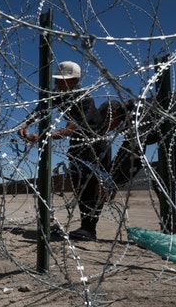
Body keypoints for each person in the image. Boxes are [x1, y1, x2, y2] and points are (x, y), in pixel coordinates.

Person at [18, 61, 111, 241]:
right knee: (80, 187)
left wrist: (44, 135)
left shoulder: (84, 99)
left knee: (90, 188)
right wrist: (26, 123)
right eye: (57, 79)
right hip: (78, 147)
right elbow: (42, 109)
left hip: (96, 148)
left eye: (63, 80)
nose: (58, 83)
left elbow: (70, 129)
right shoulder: (60, 96)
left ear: (75, 80)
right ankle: (86, 227)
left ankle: (89, 229)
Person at [106, 92, 176, 235]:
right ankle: (173, 225)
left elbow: (133, 153)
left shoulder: (138, 113)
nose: (111, 129)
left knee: (170, 176)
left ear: (114, 114)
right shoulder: (142, 108)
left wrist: (112, 182)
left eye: (108, 123)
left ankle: (174, 230)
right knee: (166, 175)